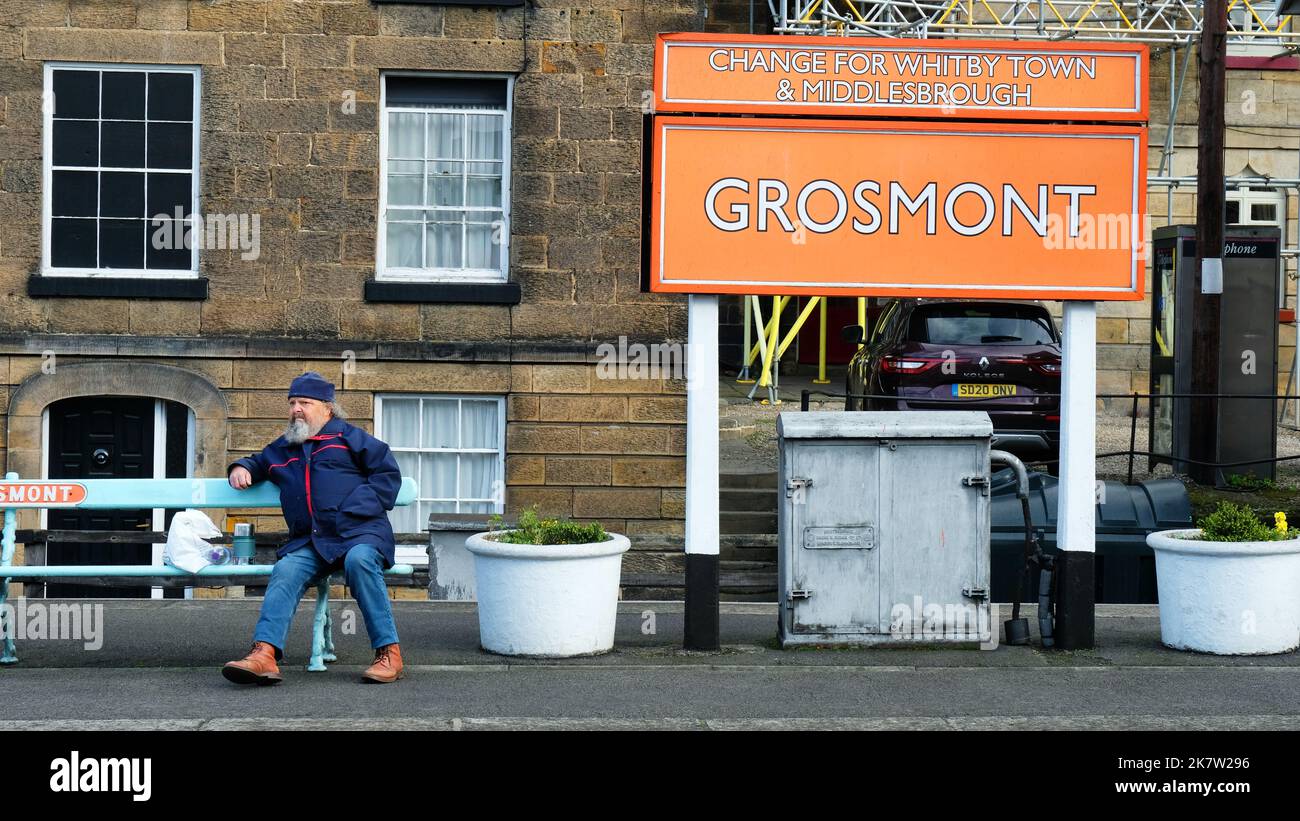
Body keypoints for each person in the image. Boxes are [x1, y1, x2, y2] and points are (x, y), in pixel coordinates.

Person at [221, 372, 405, 685]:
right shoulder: (284, 447)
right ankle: (264, 653)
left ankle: (389, 653)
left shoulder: (351, 438)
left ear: (327, 408)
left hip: (360, 534)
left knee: (359, 561)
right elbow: (256, 461)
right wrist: (240, 467)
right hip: (312, 540)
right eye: (292, 403)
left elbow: (387, 478)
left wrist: (350, 510)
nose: (296, 409)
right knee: (286, 569)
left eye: (304, 402)